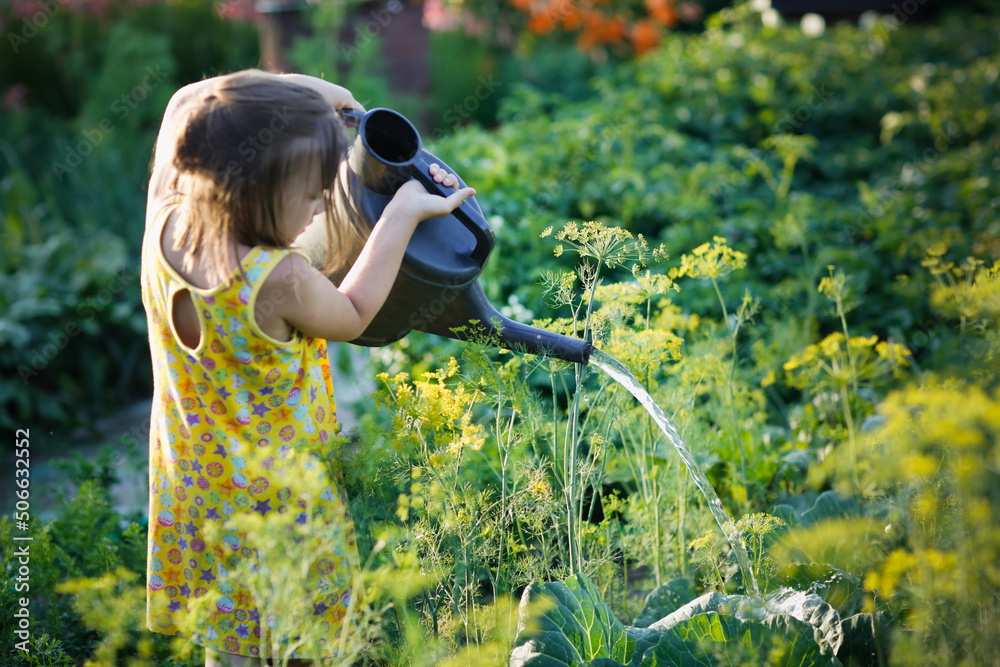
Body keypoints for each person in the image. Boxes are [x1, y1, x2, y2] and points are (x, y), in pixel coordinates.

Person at [140, 69, 474, 666]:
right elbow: (353, 311)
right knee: (305, 644)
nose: (324, 202)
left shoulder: (166, 218)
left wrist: (325, 103)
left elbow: (187, 102)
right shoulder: (278, 278)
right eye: (311, 194)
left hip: (198, 488)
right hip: (281, 499)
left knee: (231, 639)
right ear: (253, 191)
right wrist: (402, 212)